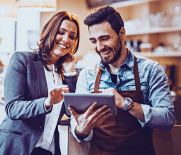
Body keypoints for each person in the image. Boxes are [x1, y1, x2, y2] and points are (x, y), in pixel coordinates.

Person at [69, 5, 176, 155]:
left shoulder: (151, 70)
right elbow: (78, 126)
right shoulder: (87, 75)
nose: (99, 47)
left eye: (104, 38)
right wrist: (81, 130)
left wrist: (126, 104)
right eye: (93, 41)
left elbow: (167, 119)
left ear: (122, 33)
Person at [0, 11, 80, 155]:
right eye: (61, 32)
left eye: (72, 36)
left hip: (49, 149)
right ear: (50, 31)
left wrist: (69, 72)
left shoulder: (65, 72)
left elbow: (70, 111)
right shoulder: (22, 60)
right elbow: (12, 108)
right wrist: (46, 103)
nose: (66, 39)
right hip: (19, 147)